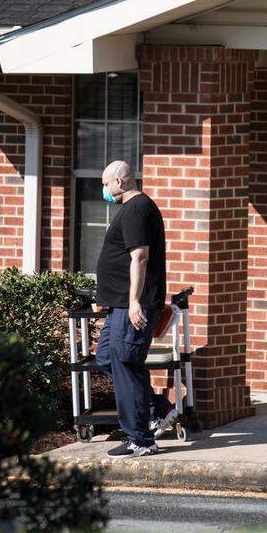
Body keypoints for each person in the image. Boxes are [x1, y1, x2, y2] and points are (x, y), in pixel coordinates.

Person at [94, 160, 175, 459]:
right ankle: (157, 409)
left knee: (126, 363)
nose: (103, 190)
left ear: (119, 180)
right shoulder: (130, 209)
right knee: (106, 358)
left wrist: (133, 302)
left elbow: (139, 258)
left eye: (105, 183)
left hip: (131, 306)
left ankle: (140, 440)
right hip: (118, 306)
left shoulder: (138, 209)